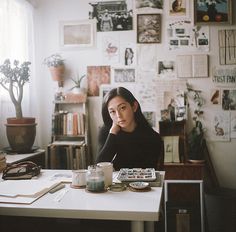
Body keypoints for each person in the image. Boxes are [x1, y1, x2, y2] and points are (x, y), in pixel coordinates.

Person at [96, 87, 162, 171]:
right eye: (112, 111)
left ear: (134, 106)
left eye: (122, 108)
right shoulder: (108, 133)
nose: (118, 115)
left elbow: (149, 171)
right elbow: (99, 168)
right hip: (115, 183)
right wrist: (112, 133)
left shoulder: (151, 137)